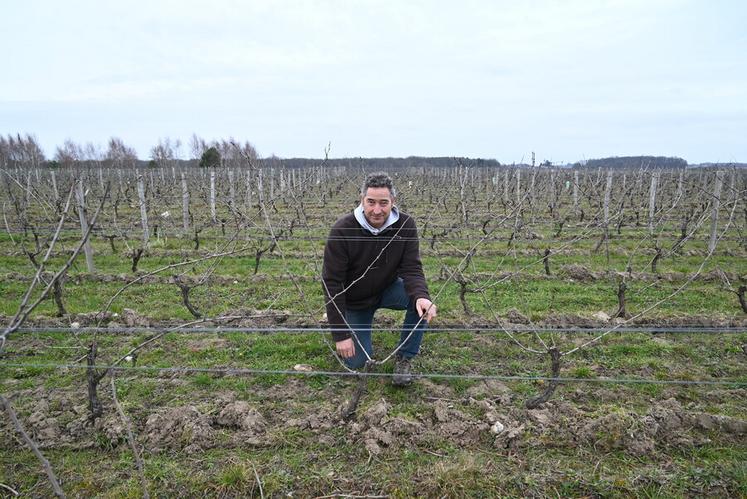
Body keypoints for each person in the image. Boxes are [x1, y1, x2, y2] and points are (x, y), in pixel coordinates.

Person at [322, 171, 436, 386]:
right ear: (362, 200)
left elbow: (411, 268)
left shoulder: (405, 225)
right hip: (356, 301)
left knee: (421, 305)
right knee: (358, 362)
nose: (377, 210)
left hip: (387, 288)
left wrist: (421, 296)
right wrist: (340, 334)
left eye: (384, 203)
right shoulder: (342, 229)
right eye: (371, 202)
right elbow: (332, 283)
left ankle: (405, 358)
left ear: (393, 201)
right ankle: (351, 325)